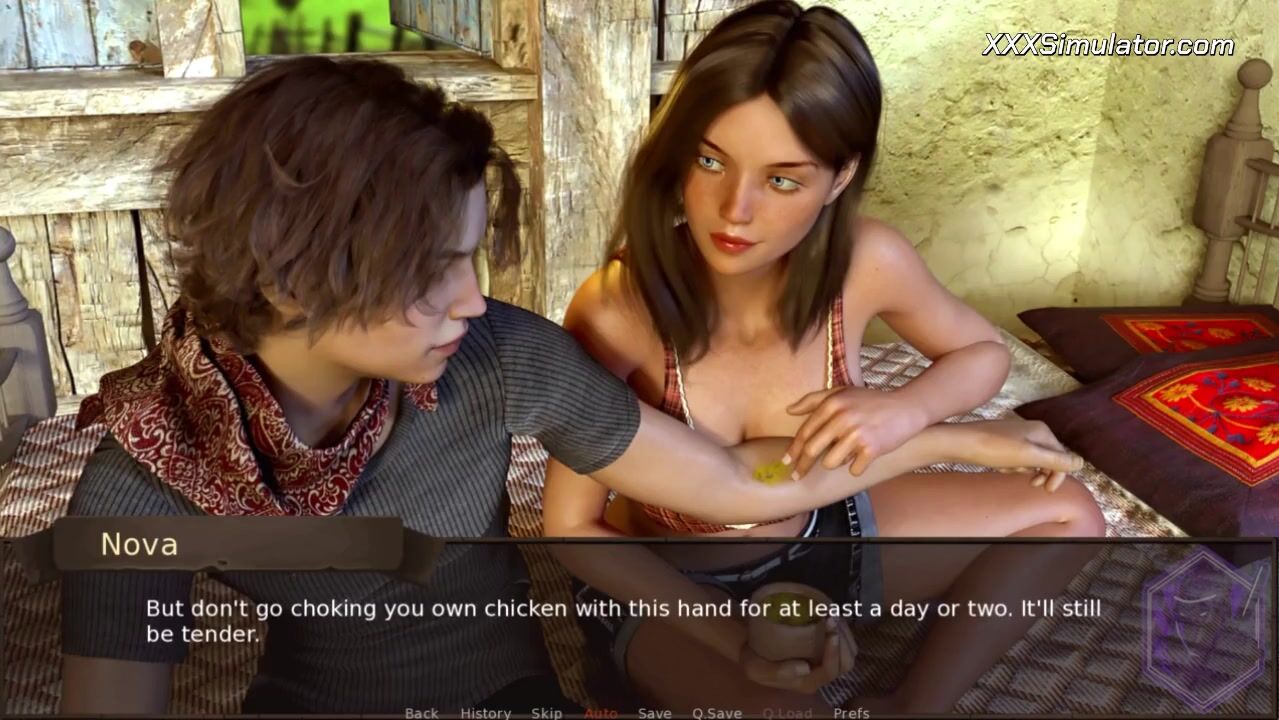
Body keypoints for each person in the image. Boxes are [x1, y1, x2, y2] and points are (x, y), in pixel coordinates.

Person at [56, 56, 1083, 716]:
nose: (473, 298)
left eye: (472, 258)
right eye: (432, 271)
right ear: (290, 275)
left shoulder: (498, 355)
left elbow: (733, 479)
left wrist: (936, 434)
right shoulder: (141, 484)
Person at [542, 1, 1107, 715]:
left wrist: (906, 410)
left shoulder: (868, 261)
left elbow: (982, 353)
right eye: (710, 160)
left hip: (828, 536)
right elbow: (571, 527)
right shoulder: (618, 307)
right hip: (675, 587)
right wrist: (731, 640)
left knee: (1070, 513)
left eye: (782, 179)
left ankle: (912, 706)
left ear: (840, 177)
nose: (734, 209)